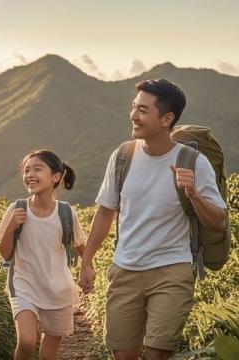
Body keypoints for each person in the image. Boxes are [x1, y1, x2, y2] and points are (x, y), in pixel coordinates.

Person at [79, 79, 226, 360]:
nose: (134, 115)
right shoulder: (122, 156)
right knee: (123, 355)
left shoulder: (194, 162)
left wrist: (193, 194)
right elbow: (105, 211)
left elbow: (218, 222)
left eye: (143, 110)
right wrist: (87, 260)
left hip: (172, 271)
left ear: (166, 118)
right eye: (134, 107)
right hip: (125, 270)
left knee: (157, 355)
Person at [0, 150, 86, 360]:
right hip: (23, 286)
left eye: (37, 169)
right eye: (26, 170)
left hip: (58, 289)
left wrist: (87, 267)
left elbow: (81, 246)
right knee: (26, 342)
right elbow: (4, 252)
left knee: (50, 350)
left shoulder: (66, 213)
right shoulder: (16, 209)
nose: (30, 174)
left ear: (56, 177)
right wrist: (10, 228)